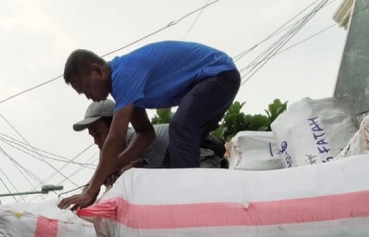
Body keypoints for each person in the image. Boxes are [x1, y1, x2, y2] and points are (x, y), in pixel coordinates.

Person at [58, 40, 239, 210]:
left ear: (97, 71)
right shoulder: (126, 90)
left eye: (87, 87)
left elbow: (114, 139)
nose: (88, 96)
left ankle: (187, 201)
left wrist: (91, 191)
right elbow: (145, 134)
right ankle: (188, 196)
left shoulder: (123, 75)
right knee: (172, 158)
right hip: (216, 80)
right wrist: (112, 168)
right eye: (83, 93)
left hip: (219, 74)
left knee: (181, 128)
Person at [71, 99, 224, 184]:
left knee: (200, 194)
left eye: (98, 133)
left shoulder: (139, 139)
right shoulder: (109, 155)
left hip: (203, 156)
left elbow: (142, 173)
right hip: (178, 169)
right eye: (93, 136)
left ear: (115, 127)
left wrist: (120, 173)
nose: (96, 141)